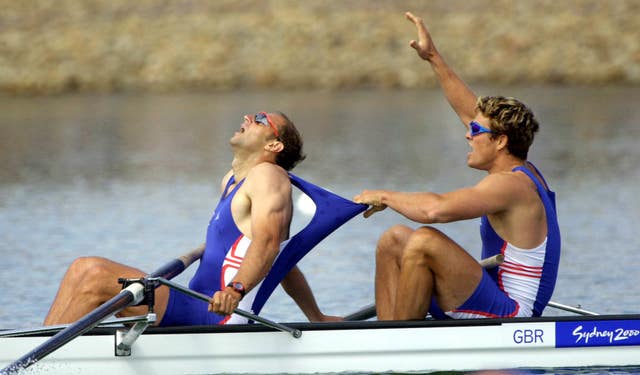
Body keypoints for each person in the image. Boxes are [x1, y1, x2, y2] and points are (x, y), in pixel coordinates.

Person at [353, 12, 560, 321]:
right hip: (489, 298)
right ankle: (386, 335)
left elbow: (436, 210)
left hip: (514, 316)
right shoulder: (518, 166)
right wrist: (433, 57)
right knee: (393, 239)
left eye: (475, 133)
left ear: (501, 141)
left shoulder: (511, 186)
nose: (467, 133)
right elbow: (470, 112)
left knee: (424, 239)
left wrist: (384, 196)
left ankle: (397, 345)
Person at [44, 111, 341, 326]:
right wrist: (315, 316)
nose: (250, 117)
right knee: (80, 268)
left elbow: (269, 244)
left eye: (262, 119)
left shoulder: (269, 175)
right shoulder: (232, 182)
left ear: (273, 146)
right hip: (197, 301)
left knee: (95, 274)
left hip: (216, 312)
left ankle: (34, 363)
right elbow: (283, 263)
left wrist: (235, 290)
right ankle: (33, 351)